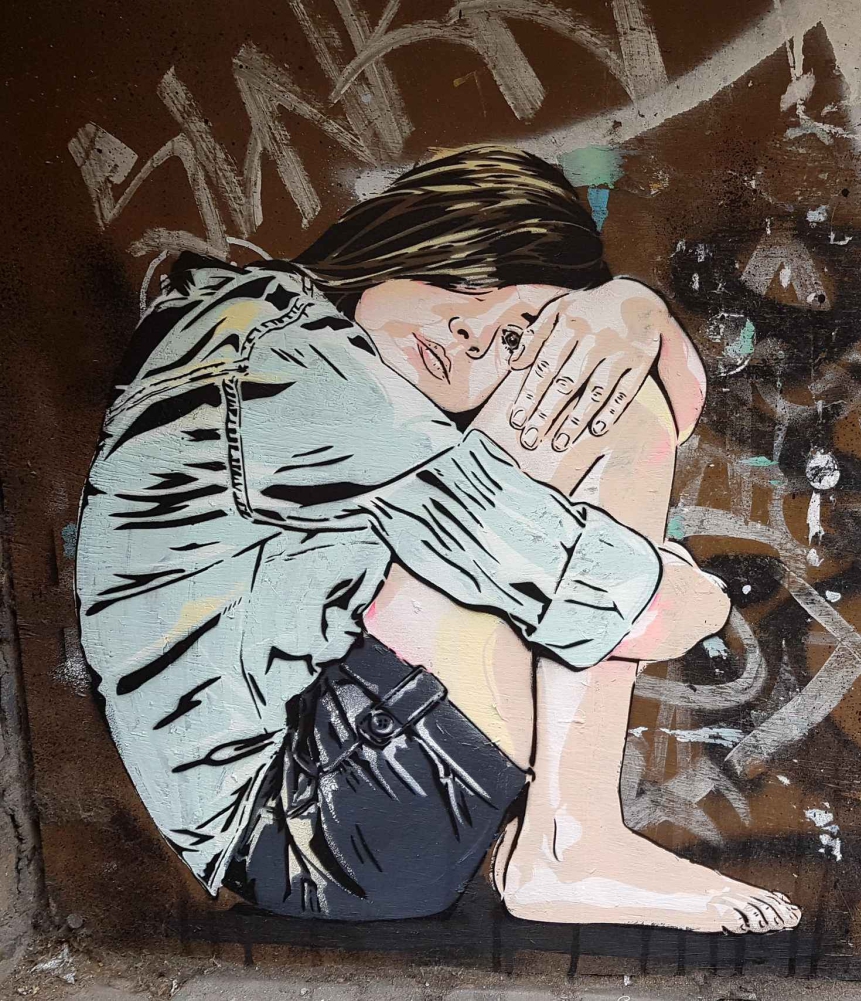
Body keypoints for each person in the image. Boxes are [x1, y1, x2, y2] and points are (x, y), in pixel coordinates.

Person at [75, 145, 801, 934]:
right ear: (416, 234)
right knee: (605, 409)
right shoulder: (288, 363)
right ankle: (568, 842)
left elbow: (665, 403)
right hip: (317, 833)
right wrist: (689, 598)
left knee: (601, 394)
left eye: (517, 336)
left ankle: (569, 840)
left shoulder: (255, 319)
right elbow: (596, 591)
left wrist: (636, 312)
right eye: (469, 280)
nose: (471, 334)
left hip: (328, 801)